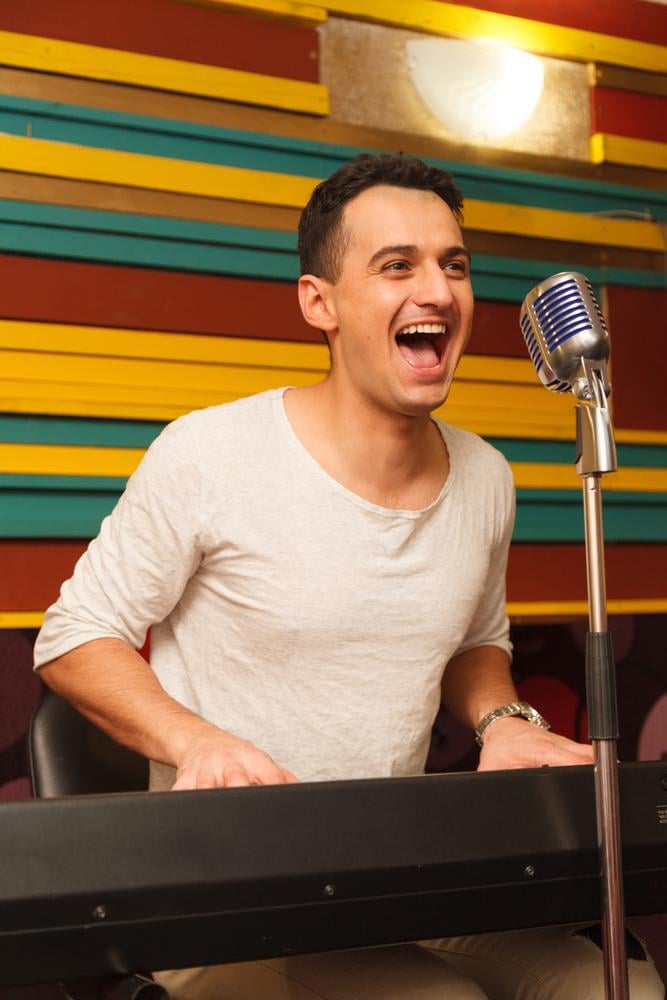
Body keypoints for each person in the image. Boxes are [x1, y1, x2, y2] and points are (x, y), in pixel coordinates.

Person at [34, 154, 664, 999]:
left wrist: (504, 720)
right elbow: (73, 636)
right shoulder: (211, 453)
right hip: (225, 889)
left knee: (614, 987)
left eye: (454, 264)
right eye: (397, 265)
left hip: (389, 869)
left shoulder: (486, 476)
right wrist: (198, 741)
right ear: (318, 303)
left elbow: (473, 640)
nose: (437, 290)